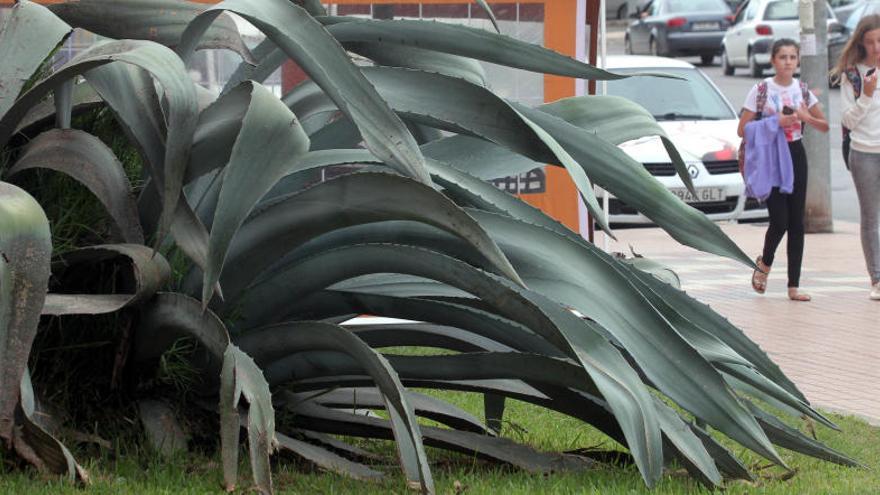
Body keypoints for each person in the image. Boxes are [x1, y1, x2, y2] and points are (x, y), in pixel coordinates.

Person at [738, 38, 829, 301]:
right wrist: (774, 122)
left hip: (795, 154)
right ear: (773, 60)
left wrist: (804, 117)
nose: (788, 62)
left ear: (798, 60)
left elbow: (823, 125)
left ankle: (793, 285)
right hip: (769, 157)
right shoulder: (761, 90)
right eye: (783, 57)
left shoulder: (802, 90)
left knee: (796, 221)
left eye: (792, 57)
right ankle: (764, 264)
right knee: (780, 220)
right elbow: (742, 129)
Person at [833, 15, 880, 301]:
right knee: (871, 218)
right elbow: (848, 121)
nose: (876, 47)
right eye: (871, 42)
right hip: (863, 153)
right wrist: (867, 95)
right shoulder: (852, 75)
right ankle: (876, 278)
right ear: (861, 43)